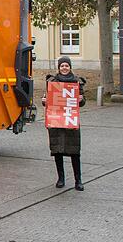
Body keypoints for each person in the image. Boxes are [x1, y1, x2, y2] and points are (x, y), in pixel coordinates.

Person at [42, 56, 86, 191]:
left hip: (70, 120)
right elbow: (47, 100)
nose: (64, 68)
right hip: (56, 122)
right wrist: (44, 101)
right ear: (59, 68)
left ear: (70, 67)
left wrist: (81, 99)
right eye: (62, 66)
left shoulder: (76, 82)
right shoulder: (52, 82)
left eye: (66, 66)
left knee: (74, 151)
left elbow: (82, 103)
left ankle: (78, 180)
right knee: (58, 151)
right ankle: (61, 178)